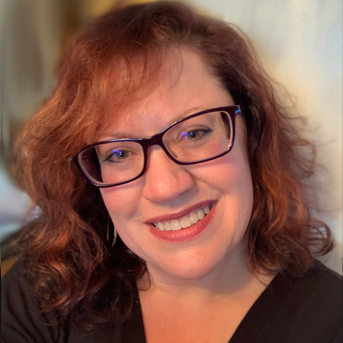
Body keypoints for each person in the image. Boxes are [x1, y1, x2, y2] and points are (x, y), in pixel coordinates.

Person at [1, 1, 342, 342]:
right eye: (119, 153)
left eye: (194, 133)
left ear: (251, 133)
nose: (167, 187)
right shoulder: (46, 291)